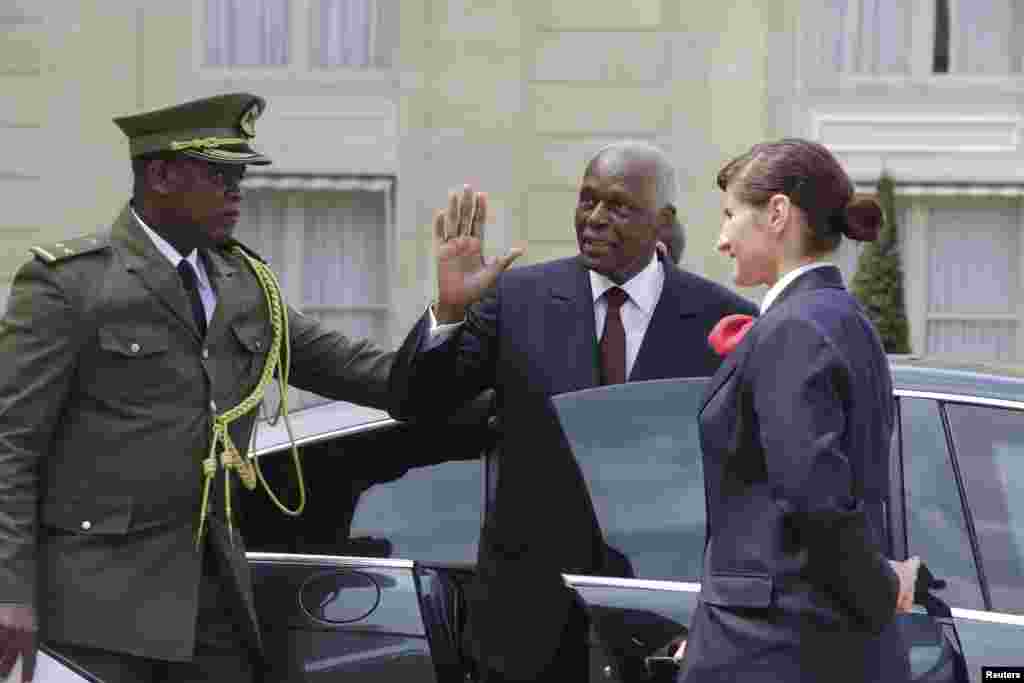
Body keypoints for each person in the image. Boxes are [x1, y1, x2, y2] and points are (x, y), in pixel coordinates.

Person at [0, 93, 395, 682]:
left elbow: (359, 369)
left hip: (213, 609)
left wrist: (474, 345)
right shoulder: (72, 285)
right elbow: (12, 448)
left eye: (240, 174)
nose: (237, 189)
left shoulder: (244, 284)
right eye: (219, 173)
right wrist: (9, 593)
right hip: (95, 611)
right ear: (159, 174)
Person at [388, 141, 758, 682]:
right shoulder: (517, 299)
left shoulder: (723, 321)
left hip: (660, 624)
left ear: (663, 221)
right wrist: (449, 309)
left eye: (619, 206)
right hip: (526, 628)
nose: (596, 219)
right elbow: (414, 403)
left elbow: (740, 483)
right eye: (587, 201)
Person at [675, 138, 922, 682]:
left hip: (776, 651)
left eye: (730, 215)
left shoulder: (795, 328)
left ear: (778, 213)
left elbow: (816, 501)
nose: (721, 239)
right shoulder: (840, 318)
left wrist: (884, 588)